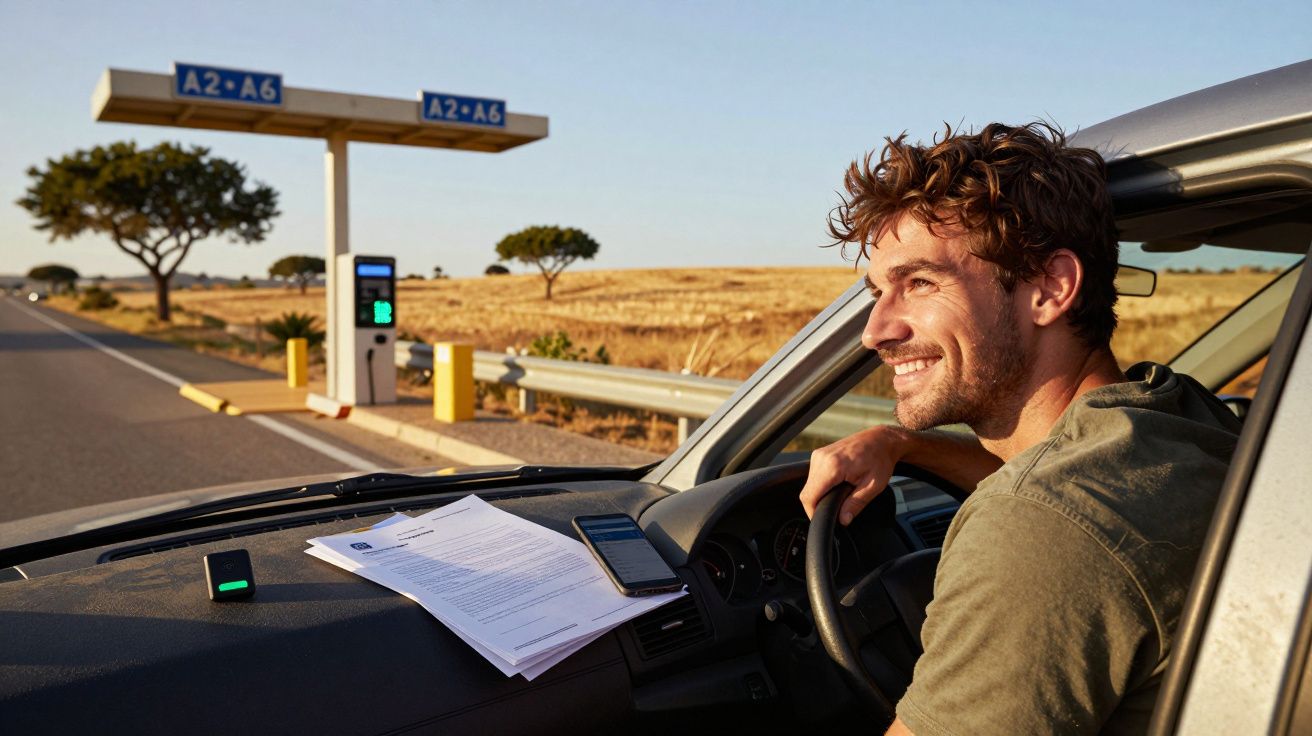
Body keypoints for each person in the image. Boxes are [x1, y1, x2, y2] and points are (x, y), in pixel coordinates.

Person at [799, 122, 1241, 735]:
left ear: (1051, 288)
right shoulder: (1168, 419)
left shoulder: (1037, 529)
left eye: (919, 282)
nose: (875, 330)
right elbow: (1068, 489)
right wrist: (902, 443)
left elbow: (1054, 514)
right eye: (878, 292)